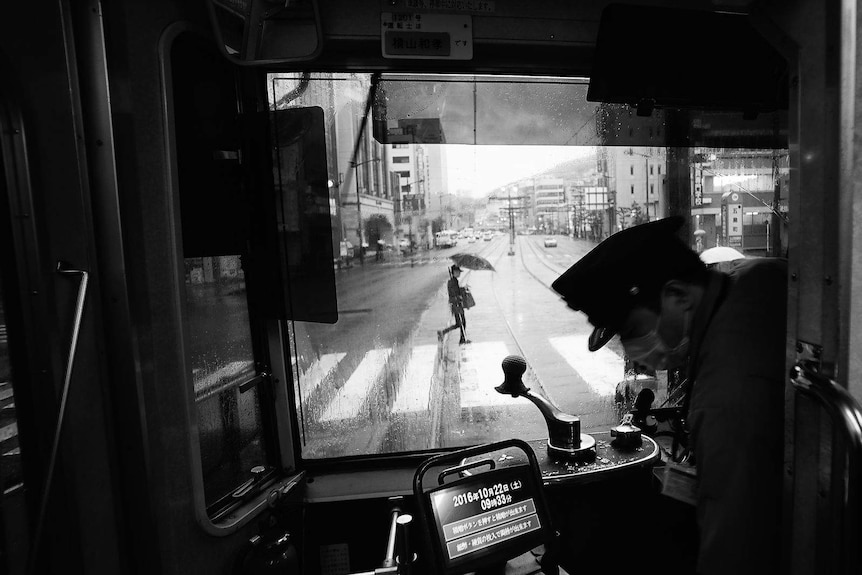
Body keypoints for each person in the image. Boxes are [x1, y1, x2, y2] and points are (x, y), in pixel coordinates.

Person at [551, 216, 786, 575]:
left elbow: (735, 551)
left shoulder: (726, 395)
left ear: (677, 295)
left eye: (632, 330)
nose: (631, 351)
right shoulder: (751, 276)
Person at [438, 264, 470, 344]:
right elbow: (453, 294)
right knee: (461, 323)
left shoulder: (454, 281)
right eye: (458, 272)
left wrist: (463, 289)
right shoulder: (452, 282)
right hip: (456, 305)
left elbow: (457, 291)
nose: (459, 273)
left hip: (457, 304)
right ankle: (461, 339)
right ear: (454, 272)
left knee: (460, 323)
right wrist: (459, 297)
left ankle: (461, 339)